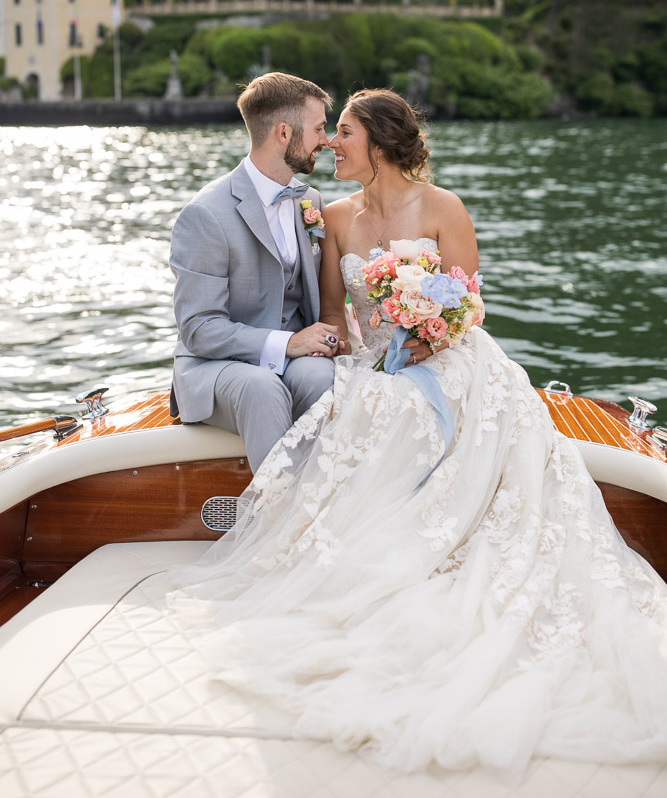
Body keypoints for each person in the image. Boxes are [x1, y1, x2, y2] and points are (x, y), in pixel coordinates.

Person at [168, 89, 667, 778]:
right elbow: (335, 312)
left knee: (443, 403)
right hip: (376, 357)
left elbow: (469, 299)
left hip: (452, 353)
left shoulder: (443, 208)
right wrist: (365, 351)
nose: (329, 145)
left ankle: (453, 525)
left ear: (375, 140)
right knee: (371, 402)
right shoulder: (333, 217)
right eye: (325, 132)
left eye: (339, 133)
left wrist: (433, 331)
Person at [169, 71, 345, 473]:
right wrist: (287, 344)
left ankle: (332, 511)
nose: (327, 140)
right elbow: (198, 328)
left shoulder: (310, 200)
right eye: (318, 128)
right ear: (283, 133)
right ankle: (282, 522)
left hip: (293, 354)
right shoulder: (205, 214)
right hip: (216, 366)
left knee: (323, 377)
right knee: (262, 389)